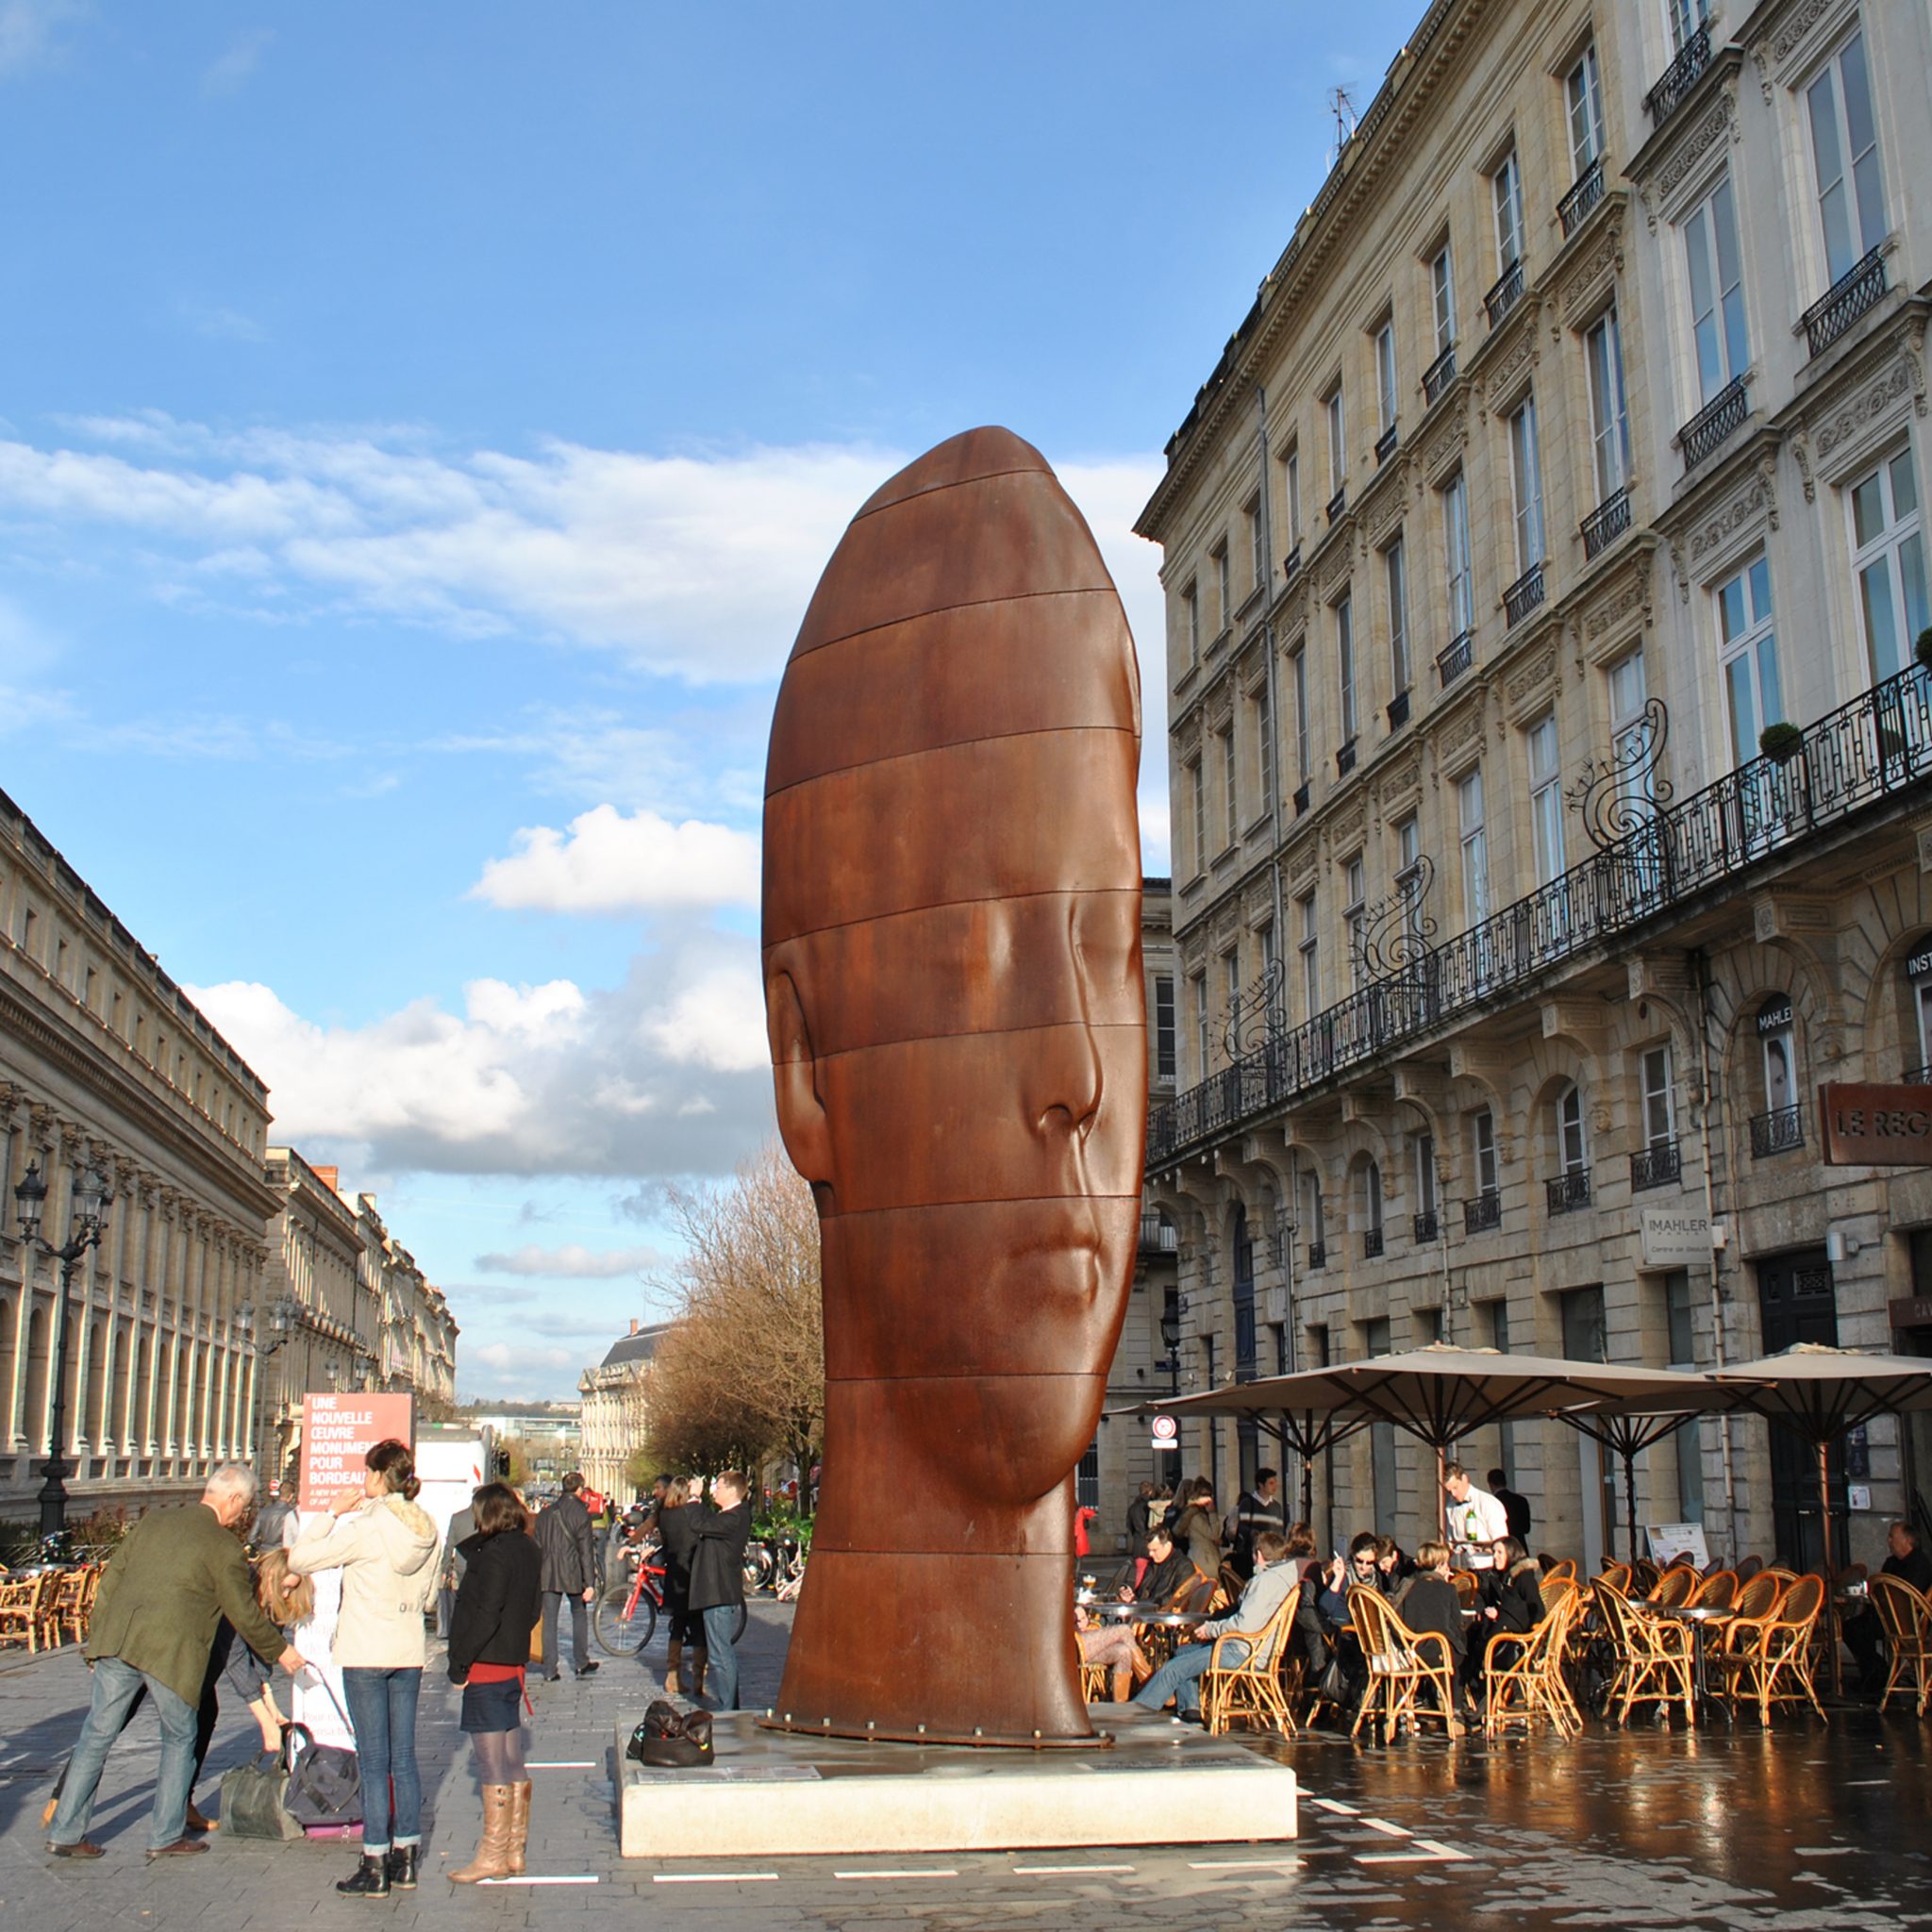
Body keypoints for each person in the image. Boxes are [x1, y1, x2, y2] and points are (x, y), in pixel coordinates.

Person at [45, 1464, 305, 1862]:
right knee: (181, 1737)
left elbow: (111, 1579)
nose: (243, 1515)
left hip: (119, 1643)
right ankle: (165, 1834)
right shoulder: (224, 1547)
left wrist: (97, 1641)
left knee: (96, 1736)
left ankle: (65, 1832)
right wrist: (281, 1651)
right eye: (245, 1506)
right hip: (171, 1654)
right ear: (233, 1499)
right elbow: (243, 1613)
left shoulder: (154, 1521)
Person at [288, 1438, 441, 1898]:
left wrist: (330, 1513)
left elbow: (299, 1558)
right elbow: (431, 1598)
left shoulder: (365, 1525)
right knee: (404, 1759)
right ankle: (407, 1857)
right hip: (407, 1650)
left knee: (374, 1762)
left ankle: (374, 1860)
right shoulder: (427, 1527)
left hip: (363, 1651)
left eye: (366, 1473)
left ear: (377, 1476)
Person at [445, 1482, 544, 1884]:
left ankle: (492, 1854)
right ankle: (515, 1851)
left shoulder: (492, 1556)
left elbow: (482, 1613)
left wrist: (459, 1664)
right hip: (513, 1664)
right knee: (511, 1756)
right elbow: (534, 1606)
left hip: (485, 1663)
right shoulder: (527, 1549)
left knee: (490, 1762)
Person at [1132, 1531, 1294, 1721]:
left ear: (1258, 1555)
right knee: (1183, 1652)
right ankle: (1191, 1712)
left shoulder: (1264, 1582)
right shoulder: (1282, 1578)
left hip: (1242, 1650)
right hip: (1252, 1647)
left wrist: (1211, 1629)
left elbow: (1244, 1624)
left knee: (1172, 1669)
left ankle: (1136, 1714)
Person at [688, 1470, 752, 1710]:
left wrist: (695, 1498)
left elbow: (699, 1523)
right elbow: (705, 1522)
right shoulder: (730, 1516)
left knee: (720, 1654)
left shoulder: (735, 1517)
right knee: (719, 1652)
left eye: (719, 1487)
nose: (714, 1491)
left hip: (719, 1592)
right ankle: (730, 1705)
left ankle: (729, 1708)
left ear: (732, 1491)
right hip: (715, 1592)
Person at [1846, 1522, 1932, 1691]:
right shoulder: (1891, 1562)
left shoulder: (1920, 1564)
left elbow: (1910, 1597)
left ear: (1907, 1540)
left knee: (1856, 1630)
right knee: (1851, 1627)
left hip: (1908, 1621)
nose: (1888, 1541)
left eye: (1892, 1537)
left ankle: (1877, 1674)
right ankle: (1875, 1672)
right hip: (1885, 1616)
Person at [533, 1471, 600, 1682]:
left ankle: (549, 1669)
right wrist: (590, 1583)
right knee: (579, 1614)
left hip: (548, 1571)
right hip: (573, 1572)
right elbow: (586, 1551)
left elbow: (537, 1544)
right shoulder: (581, 1513)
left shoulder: (546, 1513)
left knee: (550, 1620)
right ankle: (581, 1662)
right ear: (580, 1489)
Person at [1394, 1541, 1469, 1725]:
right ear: (1440, 1565)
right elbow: (1455, 1624)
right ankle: (1456, 1709)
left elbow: (1399, 1620)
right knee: (1461, 1654)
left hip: (1413, 1652)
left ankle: (1415, 1704)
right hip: (1439, 1653)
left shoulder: (1408, 1586)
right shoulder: (1448, 1589)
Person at [656, 1478, 703, 1696]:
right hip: (692, 1574)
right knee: (699, 1627)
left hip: (674, 1573)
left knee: (677, 1626)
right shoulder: (690, 1513)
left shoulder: (665, 1515)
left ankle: (672, 1675)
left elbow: (666, 1543)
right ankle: (698, 1680)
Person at [1075, 1603, 1149, 1702]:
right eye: (1076, 1621)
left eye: (1083, 1619)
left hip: (1086, 1643)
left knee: (1123, 1651)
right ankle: (1150, 1683)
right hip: (1073, 1644)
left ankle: (1120, 1706)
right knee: (1124, 1630)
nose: (1080, 1623)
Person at [1443, 1463, 1510, 1568]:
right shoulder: (1450, 1507)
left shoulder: (1487, 1503)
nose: (1453, 1494)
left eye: (1455, 1488)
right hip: (1465, 1570)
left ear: (1464, 1479)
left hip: (1490, 1568)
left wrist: (1477, 1547)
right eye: (1449, 1491)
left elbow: (1502, 1543)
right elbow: (1450, 1542)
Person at [1228, 1469, 1286, 1577]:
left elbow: (1279, 1532)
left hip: (1272, 1557)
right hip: (1251, 1557)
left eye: (1275, 1482)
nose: (1275, 1486)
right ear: (1261, 1485)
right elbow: (1242, 1528)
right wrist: (1253, 1534)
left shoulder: (1276, 1507)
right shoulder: (1248, 1503)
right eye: (1271, 1483)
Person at [1131, 1524, 1204, 1610]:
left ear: (1168, 1546)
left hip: (1164, 1614)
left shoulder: (1184, 1565)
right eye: (1149, 1550)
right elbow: (1142, 1590)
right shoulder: (1153, 1563)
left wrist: (1146, 1603)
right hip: (1147, 1609)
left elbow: (1179, 1598)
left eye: (1154, 1550)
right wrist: (1132, 1596)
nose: (1150, 1554)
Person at [440, 1490, 480, 1640]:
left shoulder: (457, 1518)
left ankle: (461, 1631)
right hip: (480, 1567)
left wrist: (445, 1568)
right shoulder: (486, 1518)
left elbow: (449, 1545)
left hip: (461, 1566)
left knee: (461, 1601)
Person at [1169, 1477, 1224, 1588]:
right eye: (1205, 1495)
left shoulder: (1195, 1513)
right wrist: (1212, 1513)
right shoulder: (1195, 1515)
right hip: (1204, 1558)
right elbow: (1213, 1534)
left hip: (1204, 1556)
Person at [1489, 1467, 1533, 1545]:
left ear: (1491, 1484)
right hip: (1520, 1546)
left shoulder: (1492, 1502)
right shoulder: (1521, 1500)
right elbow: (1526, 1528)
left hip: (1503, 1546)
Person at [1125, 1481, 1156, 1563]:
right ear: (1150, 1492)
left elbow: (1129, 1525)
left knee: (1140, 1572)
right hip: (1152, 1545)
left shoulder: (1133, 1507)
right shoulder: (1152, 1507)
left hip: (1138, 1544)